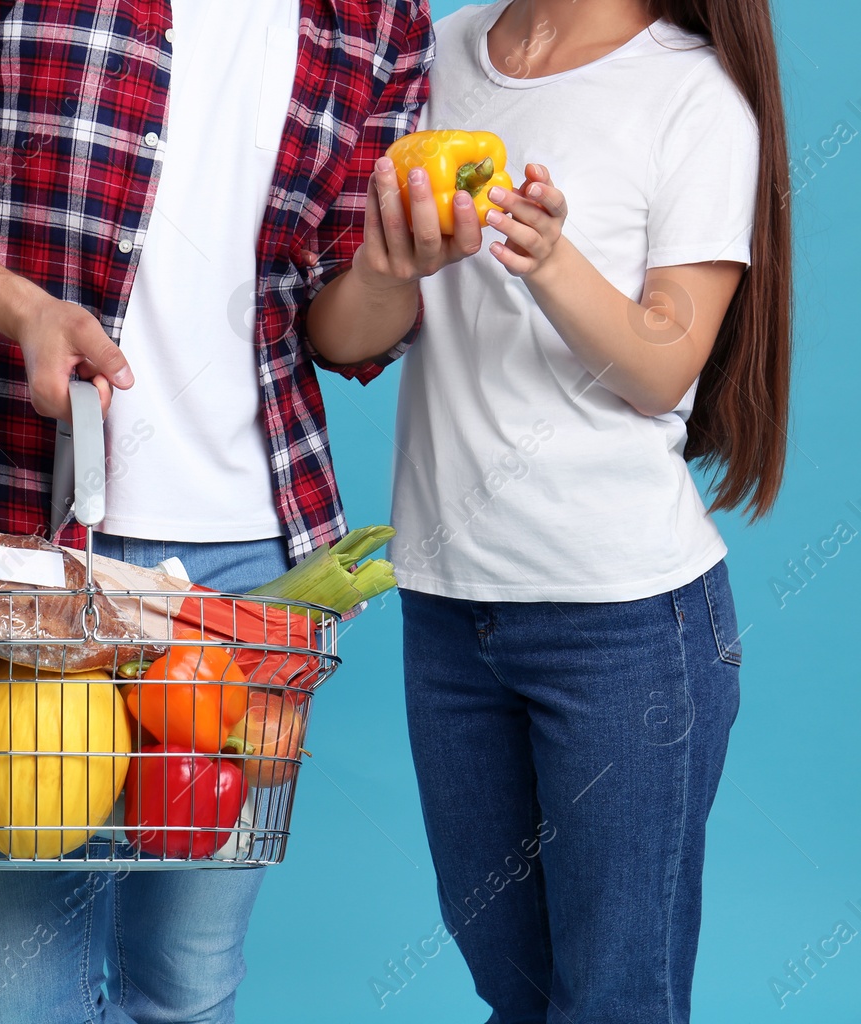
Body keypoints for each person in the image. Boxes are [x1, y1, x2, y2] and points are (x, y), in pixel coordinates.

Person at [0, 0, 469, 1019]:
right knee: (11, 1003)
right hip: (2, 532)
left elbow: (342, 330)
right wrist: (18, 305)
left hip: (246, 570)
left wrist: (384, 269)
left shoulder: (379, 15)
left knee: (184, 989)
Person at [386, 0, 791, 1020]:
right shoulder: (435, 52)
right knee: (513, 989)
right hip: (446, 609)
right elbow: (360, 314)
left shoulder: (692, 96)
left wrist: (551, 260)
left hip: (623, 626)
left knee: (611, 1001)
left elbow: (662, 363)